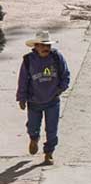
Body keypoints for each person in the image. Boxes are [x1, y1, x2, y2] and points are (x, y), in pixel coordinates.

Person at [17, 30, 71, 165]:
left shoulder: (56, 58)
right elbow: (23, 80)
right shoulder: (29, 60)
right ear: (35, 46)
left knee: (52, 128)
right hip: (34, 101)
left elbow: (65, 74)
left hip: (52, 100)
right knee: (33, 126)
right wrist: (21, 98)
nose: (45, 48)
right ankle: (34, 139)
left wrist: (60, 89)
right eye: (42, 45)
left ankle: (49, 152)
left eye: (48, 45)